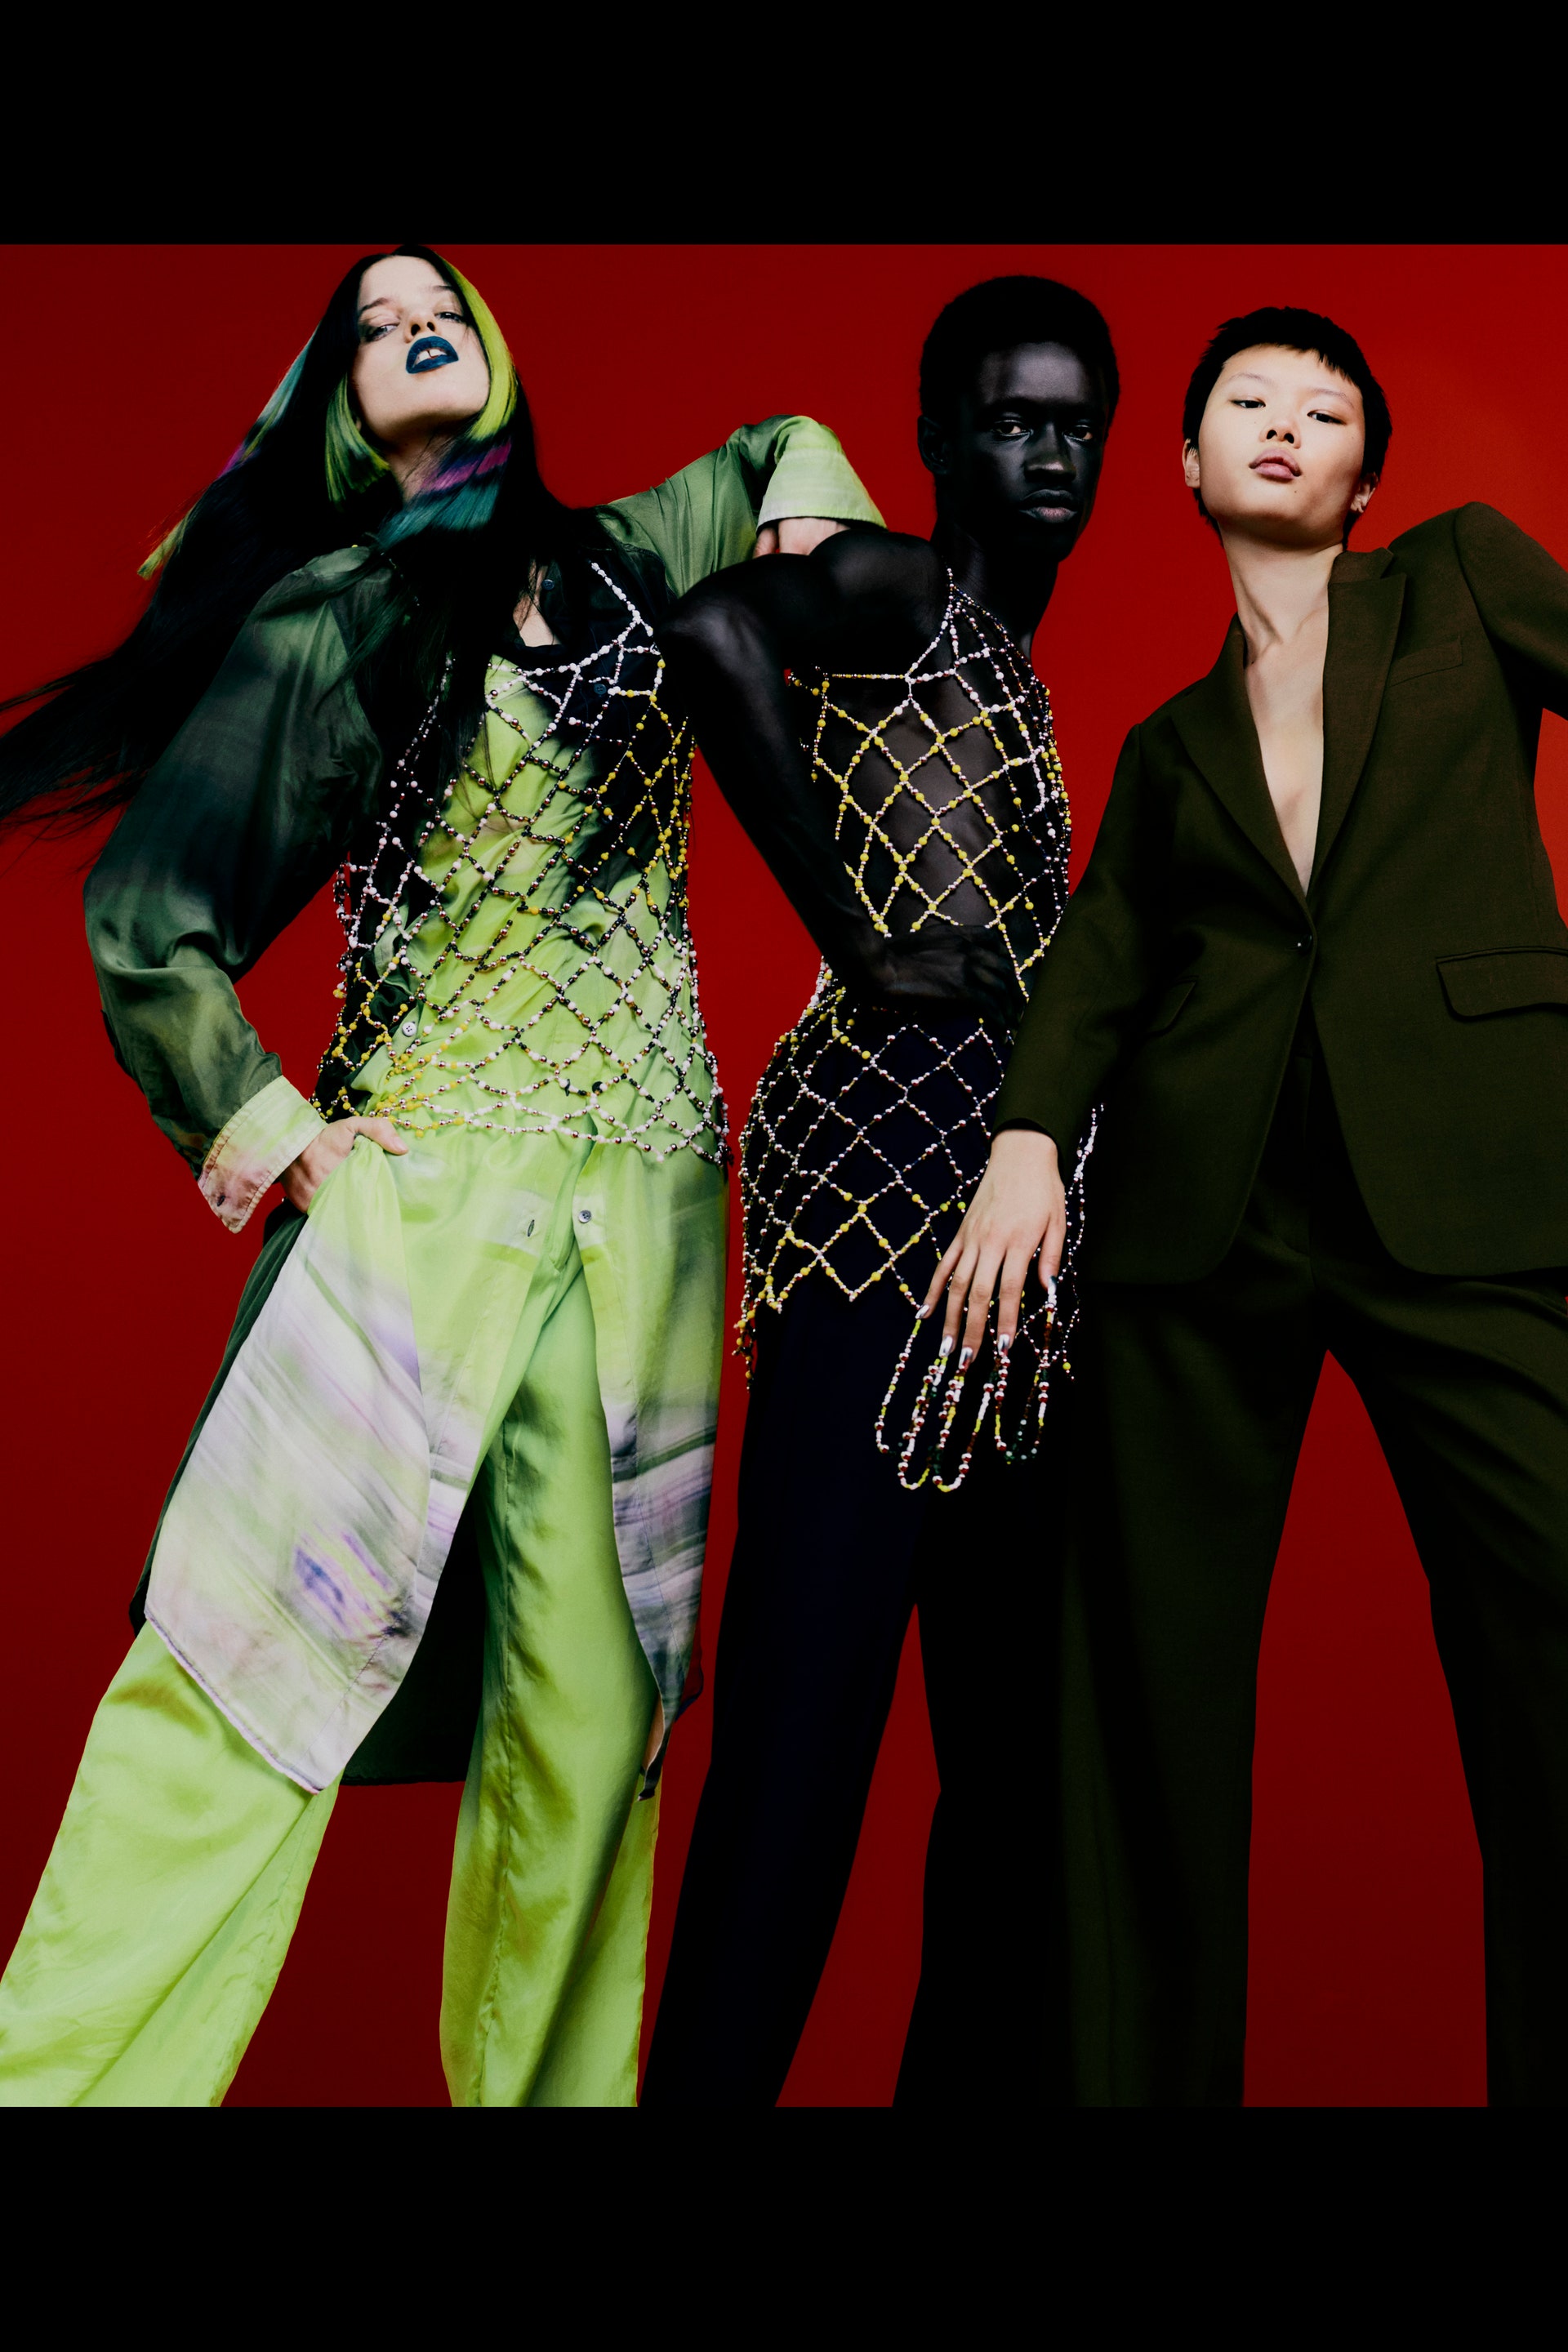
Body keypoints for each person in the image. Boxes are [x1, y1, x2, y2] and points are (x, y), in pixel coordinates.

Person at [0, 243, 880, 2108]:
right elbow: (149, 907)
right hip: (421, 1205)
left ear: (499, 348)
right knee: (239, 1678)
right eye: (374, 323)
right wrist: (271, 1130)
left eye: (443, 304)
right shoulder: (332, 613)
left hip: (651, 1212)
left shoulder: (638, 552)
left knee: (594, 1732)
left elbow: (779, 444)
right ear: (336, 406)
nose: (417, 323)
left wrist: (813, 527)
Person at [935, 304, 1568, 2105]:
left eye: (1326, 410)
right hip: (1201, 1226)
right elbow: (1098, 962)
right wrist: (1029, 1138)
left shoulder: (1462, 581)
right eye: (1247, 401)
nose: (1285, 423)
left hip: (1470, 1182)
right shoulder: (1168, 746)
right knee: (1144, 1698)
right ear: (1187, 461)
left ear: (1368, 478)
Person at [639, 277, 1117, 2106]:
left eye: (1077, 421)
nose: (1050, 451)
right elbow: (708, 628)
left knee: (1014, 1790)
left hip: (1022, 1255)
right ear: (934, 442)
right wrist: (857, 942)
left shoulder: (1011, 659)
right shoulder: (906, 590)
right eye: (1011, 419)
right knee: (798, 1754)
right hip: (874, 1201)